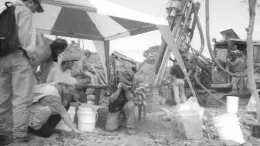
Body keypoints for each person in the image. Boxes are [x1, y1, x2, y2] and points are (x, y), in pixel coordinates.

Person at [0, 0, 44, 144]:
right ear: (31, 1)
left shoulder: (3, 7)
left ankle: (3, 134)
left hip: (2, 57)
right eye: (35, 8)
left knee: (3, 98)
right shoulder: (23, 10)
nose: (33, 11)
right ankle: (19, 136)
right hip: (18, 57)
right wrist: (31, 54)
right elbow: (25, 37)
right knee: (21, 98)